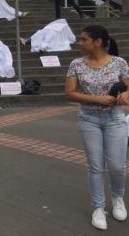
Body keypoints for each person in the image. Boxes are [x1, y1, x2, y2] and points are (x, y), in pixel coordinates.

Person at [65, 25, 129, 231]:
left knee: (118, 166)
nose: (80, 43)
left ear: (98, 42)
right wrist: (98, 99)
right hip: (89, 119)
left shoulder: (119, 63)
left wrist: (127, 95)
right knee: (95, 166)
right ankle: (98, 207)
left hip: (116, 118)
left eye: (84, 39)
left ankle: (118, 198)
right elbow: (70, 93)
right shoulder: (76, 64)